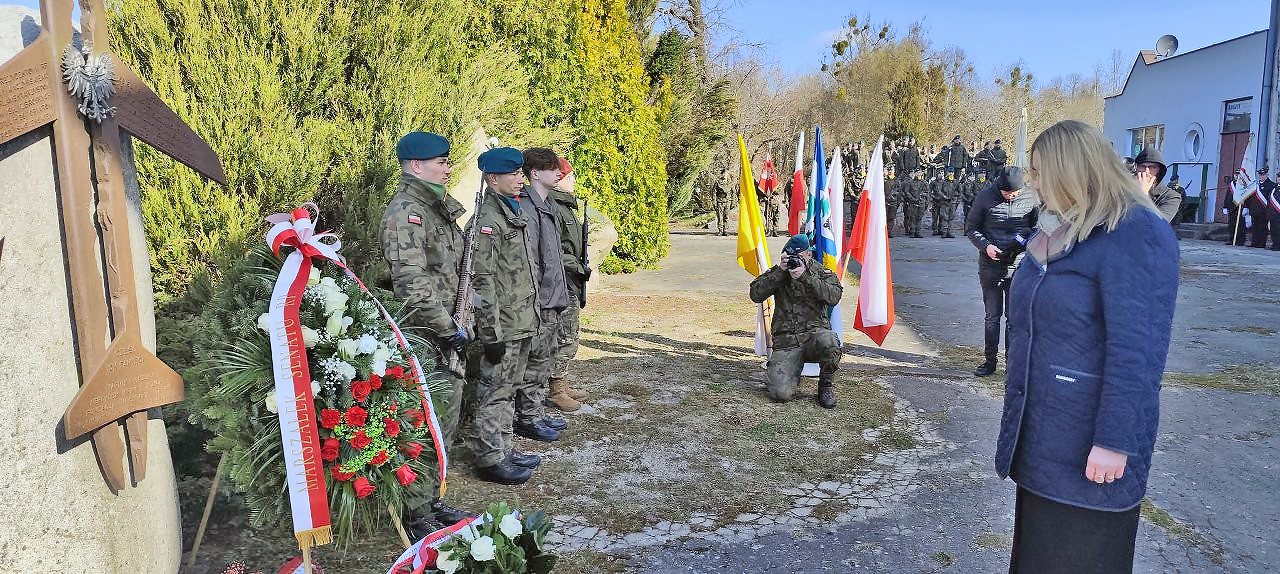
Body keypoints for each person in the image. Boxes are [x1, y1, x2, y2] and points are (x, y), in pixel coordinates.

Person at [997, 119, 1178, 573]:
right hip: (1046, 433)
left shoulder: (1137, 232)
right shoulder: (1063, 227)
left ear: (1073, 169)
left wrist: (1115, 440)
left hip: (1090, 446)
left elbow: (1138, 352)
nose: (1035, 184)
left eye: (1041, 172)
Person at [379, 131, 473, 533]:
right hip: (425, 335)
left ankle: (433, 498)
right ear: (416, 166)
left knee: (444, 420)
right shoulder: (406, 212)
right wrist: (447, 328)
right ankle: (415, 512)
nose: (448, 169)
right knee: (421, 422)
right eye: (441, 162)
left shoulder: (435, 209)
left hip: (448, 331)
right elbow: (411, 282)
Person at [464, 146, 540, 485]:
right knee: (494, 392)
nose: (521, 179)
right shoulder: (488, 221)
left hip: (521, 320)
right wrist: (490, 334)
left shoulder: (511, 211)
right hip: (503, 326)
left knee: (509, 389)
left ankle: (504, 448)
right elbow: (482, 281)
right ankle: (489, 457)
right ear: (493, 178)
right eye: (514, 174)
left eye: (521, 172)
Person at [515, 148, 573, 437]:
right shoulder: (527, 207)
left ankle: (535, 411)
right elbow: (531, 262)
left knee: (545, 359)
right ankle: (527, 417)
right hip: (539, 301)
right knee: (534, 362)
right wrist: (537, 300)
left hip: (552, 298)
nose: (559, 172)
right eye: (552, 168)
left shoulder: (548, 204)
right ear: (535, 173)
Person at [748, 235, 843, 409]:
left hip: (814, 337)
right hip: (787, 342)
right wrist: (780, 271)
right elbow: (755, 294)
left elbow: (834, 296)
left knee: (830, 341)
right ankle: (789, 374)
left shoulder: (820, 273)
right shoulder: (780, 273)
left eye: (799, 256)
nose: (795, 261)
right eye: (791, 256)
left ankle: (826, 385)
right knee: (780, 394)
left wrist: (806, 277)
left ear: (808, 254)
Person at [965, 165, 1037, 377]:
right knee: (992, 316)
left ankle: (1011, 363)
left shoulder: (1031, 198)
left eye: (1015, 193)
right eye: (1006, 193)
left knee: (1013, 318)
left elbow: (1037, 229)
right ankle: (990, 361)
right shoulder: (985, 197)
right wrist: (986, 246)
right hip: (990, 264)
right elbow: (971, 228)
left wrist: (1019, 245)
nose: (1011, 196)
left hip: (1018, 264)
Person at [549, 158, 593, 403]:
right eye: (570, 176)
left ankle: (562, 383)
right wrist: (578, 267)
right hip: (562, 280)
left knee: (570, 334)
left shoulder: (565, 206)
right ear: (559, 178)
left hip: (570, 279)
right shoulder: (555, 207)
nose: (574, 180)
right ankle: (556, 389)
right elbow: (555, 249)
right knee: (564, 335)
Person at [1132, 146, 1182, 222]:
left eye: (1152, 167)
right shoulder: (1126, 191)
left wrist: (1143, 195)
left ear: (1159, 170)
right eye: (1142, 166)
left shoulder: (1170, 196)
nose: (1146, 172)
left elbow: (1158, 223)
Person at [1244, 167, 1272, 247]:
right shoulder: (1254, 185)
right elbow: (1249, 197)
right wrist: (1246, 207)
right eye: (1260, 175)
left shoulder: (1271, 185)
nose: (1261, 176)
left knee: (1262, 227)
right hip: (1254, 210)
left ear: (1267, 175)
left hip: (1264, 211)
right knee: (1254, 227)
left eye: (1263, 175)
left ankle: (1261, 243)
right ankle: (1254, 242)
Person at [934, 167, 960, 238]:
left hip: (953, 202)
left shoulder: (956, 182)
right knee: (944, 217)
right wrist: (945, 197)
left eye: (952, 172)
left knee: (951, 217)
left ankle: (950, 232)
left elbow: (959, 192)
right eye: (949, 172)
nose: (951, 173)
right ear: (947, 173)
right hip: (945, 202)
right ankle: (944, 232)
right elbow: (939, 191)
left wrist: (957, 200)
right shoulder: (943, 182)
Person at [905, 169, 929, 238]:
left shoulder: (924, 183)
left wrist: (925, 201)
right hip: (913, 203)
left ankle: (918, 232)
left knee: (919, 218)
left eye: (920, 172)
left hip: (921, 202)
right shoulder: (910, 182)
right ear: (915, 173)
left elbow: (927, 193)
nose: (919, 174)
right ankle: (912, 232)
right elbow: (907, 192)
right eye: (917, 172)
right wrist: (913, 198)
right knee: (912, 218)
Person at [1264, 169, 1280, 250]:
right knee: (1273, 230)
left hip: (1279, 213)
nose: (1279, 179)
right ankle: (1275, 244)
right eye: (1278, 177)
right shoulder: (1274, 188)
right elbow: (1269, 201)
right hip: (1273, 214)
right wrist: (1268, 212)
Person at [885, 166, 901, 237]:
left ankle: (889, 232)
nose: (890, 171)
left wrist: (897, 201)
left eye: (891, 170)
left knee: (891, 218)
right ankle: (884, 232)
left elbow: (900, 192)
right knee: (884, 218)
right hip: (885, 202)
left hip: (893, 202)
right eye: (888, 170)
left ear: (894, 171)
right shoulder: (884, 180)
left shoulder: (897, 181)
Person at [714, 169, 731, 236]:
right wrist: (714, 201)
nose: (724, 175)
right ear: (722, 174)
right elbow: (714, 192)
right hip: (720, 201)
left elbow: (733, 192)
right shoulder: (718, 182)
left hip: (727, 201)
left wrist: (733, 202)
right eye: (723, 173)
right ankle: (720, 230)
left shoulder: (730, 182)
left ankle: (725, 230)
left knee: (726, 216)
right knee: (720, 217)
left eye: (726, 173)